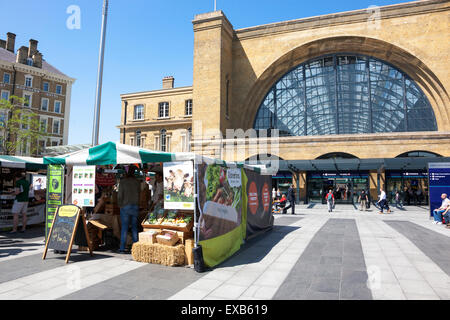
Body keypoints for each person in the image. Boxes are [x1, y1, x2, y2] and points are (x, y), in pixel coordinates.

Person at [117, 165, 141, 253]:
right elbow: (139, 194)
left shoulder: (123, 182)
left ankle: (122, 248)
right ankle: (136, 248)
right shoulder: (137, 182)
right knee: (134, 227)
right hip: (135, 206)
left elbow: (120, 195)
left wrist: (120, 204)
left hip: (125, 206)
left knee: (124, 228)